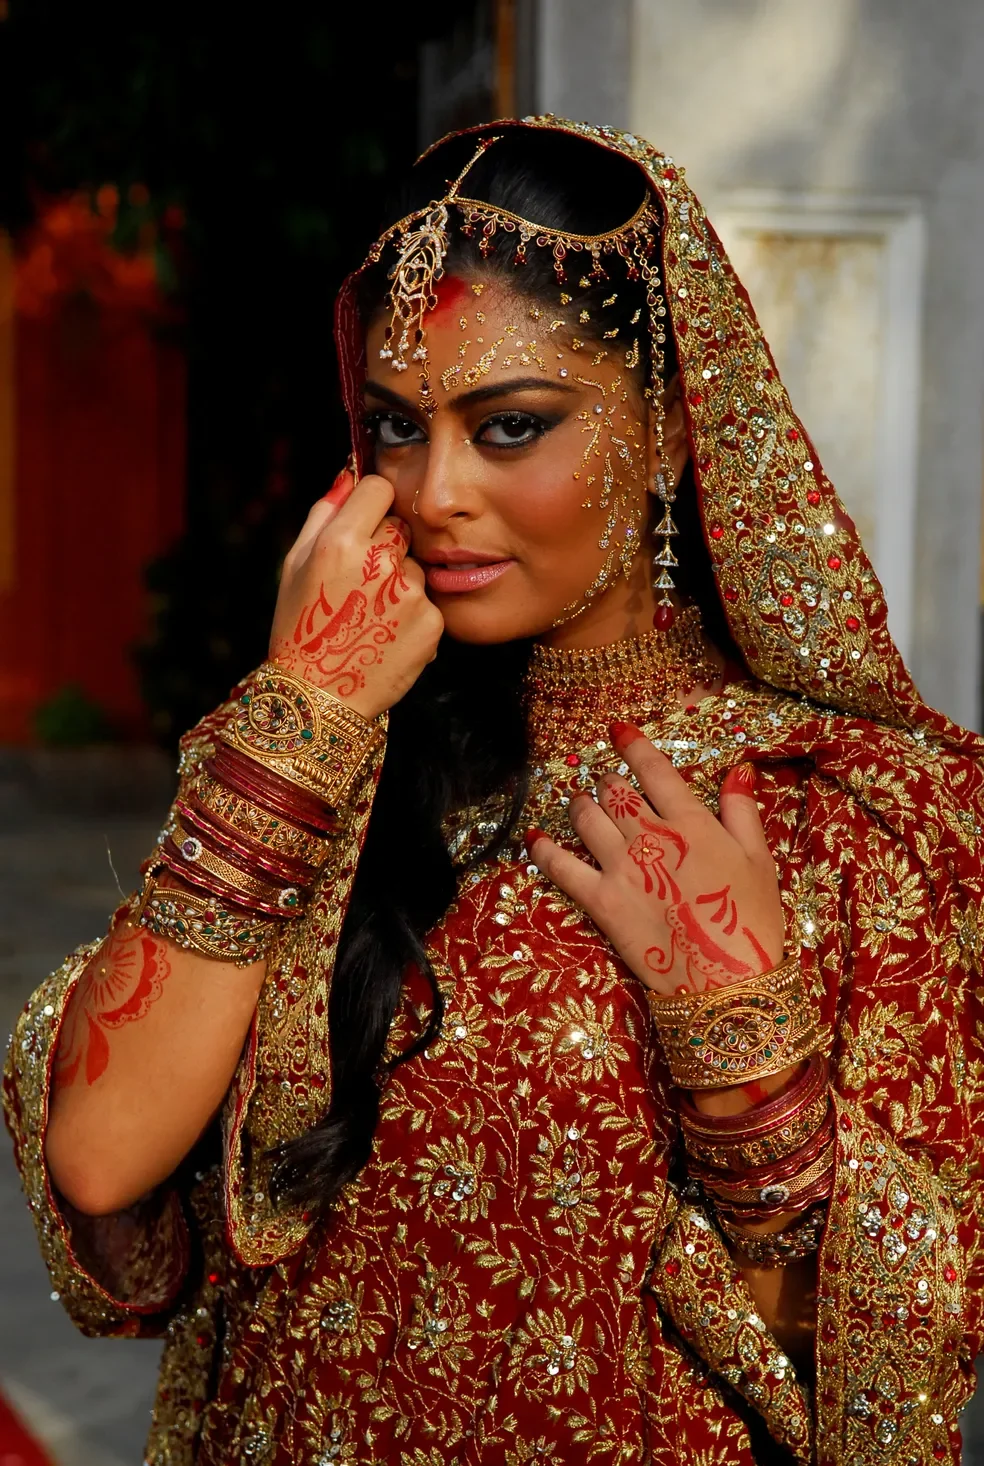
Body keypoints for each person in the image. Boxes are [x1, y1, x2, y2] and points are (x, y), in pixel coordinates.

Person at [4, 117, 983, 1466]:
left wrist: (748, 1062)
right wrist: (307, 718)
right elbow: (104, 1163)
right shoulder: (328, 758)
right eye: (395, 427)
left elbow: (895, 1383)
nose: (432, 490)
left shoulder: (858, 814)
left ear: (673, 423)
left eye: (510, 425)